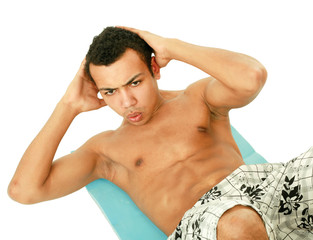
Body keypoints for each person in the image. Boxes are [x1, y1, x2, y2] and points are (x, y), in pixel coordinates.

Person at [8, 26, 313, 240]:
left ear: (154, 68)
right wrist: (68, 106)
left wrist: (171, 46)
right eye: (110, 91)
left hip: (266, 190)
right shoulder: (105, 151)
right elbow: (24, 190)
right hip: (205, 224)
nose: (126, 102)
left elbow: (252, 77)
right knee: (236, 222)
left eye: (135, 82)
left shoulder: (198, 98)